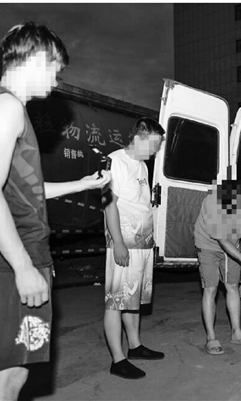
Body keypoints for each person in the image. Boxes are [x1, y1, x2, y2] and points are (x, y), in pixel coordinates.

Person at [0, 22, 111, 400]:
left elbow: (23, 191)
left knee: (3, 375)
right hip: (13, 259)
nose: (56, 80)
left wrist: (81, 185)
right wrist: (23, 266)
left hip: (9, 256)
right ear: (34, 59)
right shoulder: (6, 106)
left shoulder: (4, 107)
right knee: (9, 378)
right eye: (54, 69)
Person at [103, 117, 166, 379]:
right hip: (124, 243)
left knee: (133, 298)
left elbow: (141, 203)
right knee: (116, 301)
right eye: (153, 144)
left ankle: (135, 346)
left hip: (142, 243)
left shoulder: (141, 166)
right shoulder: (115, 161)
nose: (155, 150)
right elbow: (109, 204)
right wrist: (118, 242)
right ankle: (118, 360)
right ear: (139, 137)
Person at [194, 179, 241, 355]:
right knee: (211, 288)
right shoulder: (212, 203)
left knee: (232, 286)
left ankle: (236, 333)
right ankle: (211, 337)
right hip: (208, 245)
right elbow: (222, 240)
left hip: (232, 244)